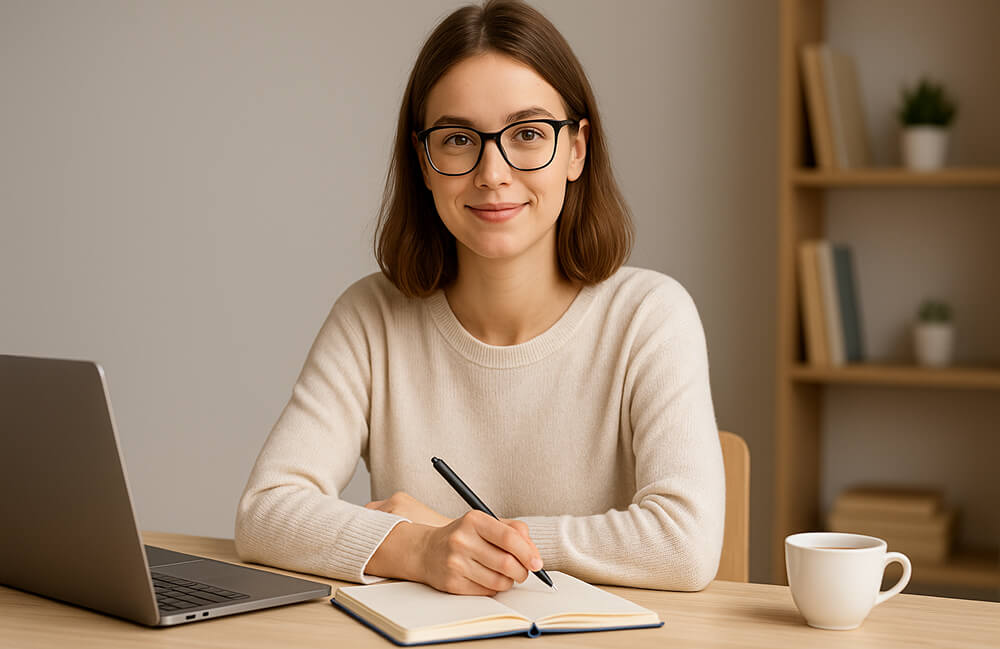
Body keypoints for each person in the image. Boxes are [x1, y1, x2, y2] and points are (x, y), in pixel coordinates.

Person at [235, 0, 724, 595]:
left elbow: (685, 546)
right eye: (460, 138)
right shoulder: (371, 318)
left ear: (576, 149)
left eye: (527, 134)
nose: (492, 172)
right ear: (423, 160)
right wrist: (420, 548)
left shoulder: (650, 317)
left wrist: (455, 535)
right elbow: (265, 513)